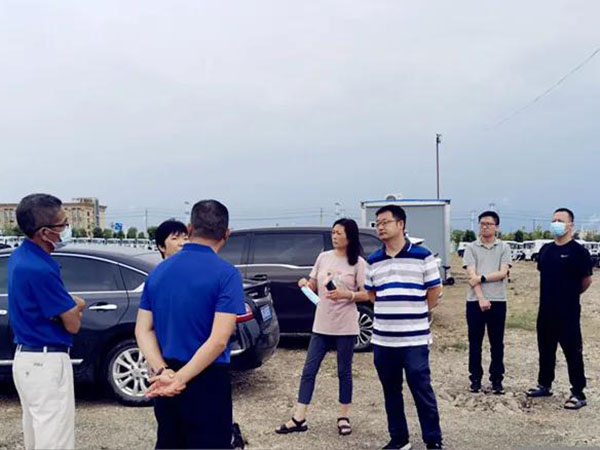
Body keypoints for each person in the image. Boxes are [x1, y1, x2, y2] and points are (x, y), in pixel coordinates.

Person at [135, 200, 246, 449]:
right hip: (207, 377)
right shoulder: (227, 274)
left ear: (190, 228)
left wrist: (163, 372)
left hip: (166, 376)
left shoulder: (158, 272)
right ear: (227, 234)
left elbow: (143, 329)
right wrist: (180, 379)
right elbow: (218, 340)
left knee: (170, 441)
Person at [275, 218, 369, 437]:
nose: (334, 236)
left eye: (339, 233)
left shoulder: (358, 263)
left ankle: (343, 416)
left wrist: (347, 294)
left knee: (344, 372)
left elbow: (367, 294)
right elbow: (313, 284)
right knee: (309, 370)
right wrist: (305, 285)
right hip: (321, 324)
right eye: (333, 232)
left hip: (346, 325)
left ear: (350, 236)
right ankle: (299, 417)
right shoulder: (323, 257)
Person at [7, 193, 86, 449]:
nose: (67, 229)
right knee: (55, 440)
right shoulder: (40, 268)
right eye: (63, 224)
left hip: (27, 360)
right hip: (47, 361)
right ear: (44, 232)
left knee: (37, 436)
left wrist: (69, 306)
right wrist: (78, 306)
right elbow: (73, 323)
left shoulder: (21, 256)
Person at [366, 205, 444, 450]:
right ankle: (399, 438)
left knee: (421, 390)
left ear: (400, 224)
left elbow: (434, 291)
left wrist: (417, 311)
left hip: (414, 340)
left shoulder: (422, 256)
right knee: (391, 391)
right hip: (383, 340)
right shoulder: (373, 260)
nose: (380, 227)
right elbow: (371, 294)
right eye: (377, 223)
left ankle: (433, 439)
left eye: (385, 222)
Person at [526, 208, 593, 410]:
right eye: (554, 220)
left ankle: (578, 392)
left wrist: (569, 295)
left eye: (560, 220)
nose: (556, 223)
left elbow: (586, 281)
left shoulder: (578, 252)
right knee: (546, 350)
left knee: (573, 352)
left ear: (570, 225)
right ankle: (544, 385)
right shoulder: (546, 250)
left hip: (568, 312)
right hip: (546, 310)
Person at [462, 211, 511, 394]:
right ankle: (475, 379)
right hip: (475, 301)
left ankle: (497, 380)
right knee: (475, 343)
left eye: (489, 224)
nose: (485, 227)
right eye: (482, 223)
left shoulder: (503, 247)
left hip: (498, 300)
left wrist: (482, 278)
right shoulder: (471, 248)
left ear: (496, 227)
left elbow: (502, 273)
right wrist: (481, 298)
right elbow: (471, 275)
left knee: (497, 343)